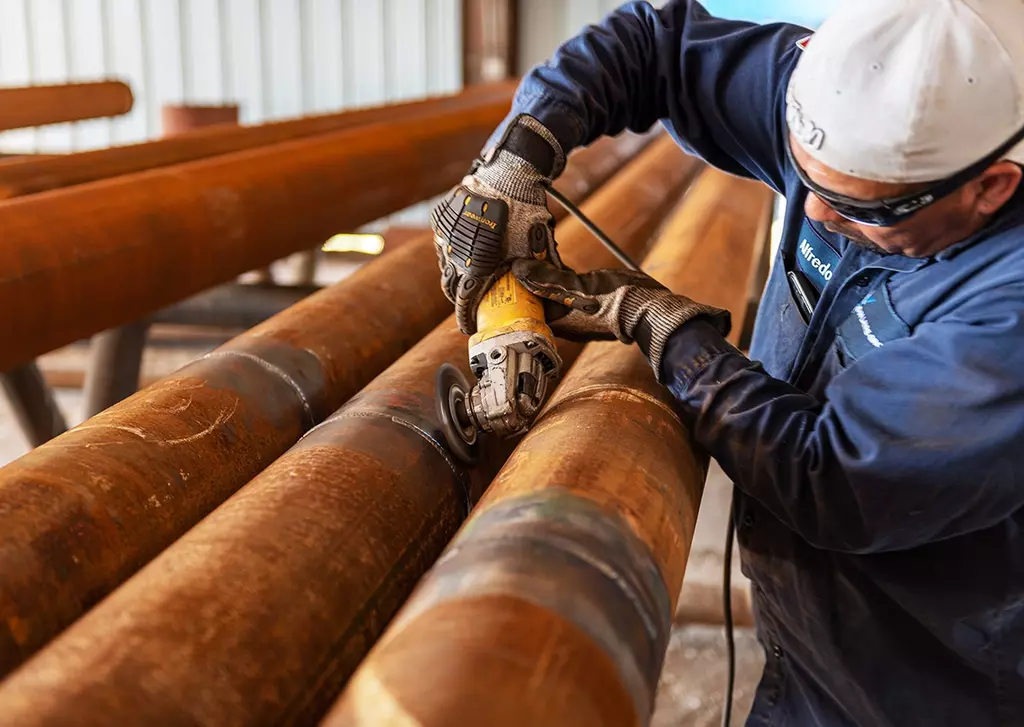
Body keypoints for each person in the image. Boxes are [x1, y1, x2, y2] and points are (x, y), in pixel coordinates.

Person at [430, 0, 1024, 725]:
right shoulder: (846, 111)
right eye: (808, 180)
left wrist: (661, 326)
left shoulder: (1010, 307)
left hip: (926, 676)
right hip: (804, 632)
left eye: (851, 205)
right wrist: (519, 156)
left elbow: (833, 474)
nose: (814, 216)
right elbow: (654, 42)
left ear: (991, 185)